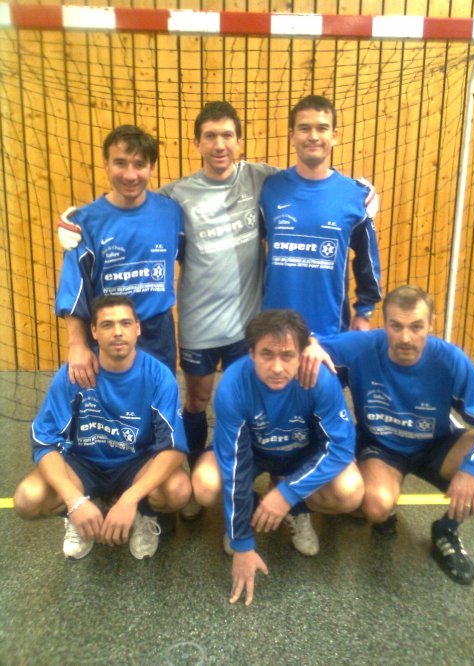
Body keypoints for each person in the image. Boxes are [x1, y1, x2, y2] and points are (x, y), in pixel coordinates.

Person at [58, 101, 377, 504]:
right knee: (195, 401)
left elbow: (309, 182)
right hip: (198, 325)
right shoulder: (175, 198)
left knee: (268, 401)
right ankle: (191, 474)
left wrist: (361, 195)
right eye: (210, 136)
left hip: (249, 325)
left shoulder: (264, 180)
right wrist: (77, 221)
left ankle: (279, 486)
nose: (220, 144)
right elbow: (134, 207)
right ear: (197, 143)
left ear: (240, 142)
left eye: (227, 135)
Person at [324, 285, 474, 585]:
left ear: (431, 324)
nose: (405, 337)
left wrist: (473, 467)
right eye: (396, 326)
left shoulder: (450, 360)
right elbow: (306, 344)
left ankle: (446, 530)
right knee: (376, 506)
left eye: (416, 327)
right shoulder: (362, 347)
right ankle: (384, 508)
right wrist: (310, 346)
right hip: (383, 448)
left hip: (438, 445)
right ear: (385, 324)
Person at [192, 309, 364, 605]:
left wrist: (287, 494)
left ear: (302, 354)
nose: (276, 367)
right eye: (266, 354)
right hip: (253, 455)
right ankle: (248, 513)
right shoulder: (233, 385)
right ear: (251, 353)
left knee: (351, 491)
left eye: (287, 356)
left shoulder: (320, 380)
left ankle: (295, 508)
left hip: (301, 457)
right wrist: (242, 542)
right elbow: (234, 465)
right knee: (204, 484)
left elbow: (340, 447)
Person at [14, 295, 191, 561]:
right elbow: (45, 442)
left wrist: (131, 499)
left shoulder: (158, 376)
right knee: (28, 498)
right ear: (94, 331)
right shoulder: (74, 374)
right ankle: (79, 514)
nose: (118, 331)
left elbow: (174, 448)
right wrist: (74, 500)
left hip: (135, 464)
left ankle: (143, 515)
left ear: (138, 328)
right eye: (108, 325)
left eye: (125, 323)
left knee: (178, 490)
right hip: (83, 465)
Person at [56, 125, 184, 384]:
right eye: (120, 163)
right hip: (108, 333)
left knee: (159, 402)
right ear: (106, 163)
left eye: (139, 164)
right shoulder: (84, 223)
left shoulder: (172, 213)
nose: (130, 175)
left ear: (152, 167)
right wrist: (77, 345)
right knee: (112, 405)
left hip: (158, 333)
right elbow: (74, 290)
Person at [260, 94, 382, 342]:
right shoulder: (269, 189)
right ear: (292, 135)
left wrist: (364, 311)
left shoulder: (355, 196)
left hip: (330, 332)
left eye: (322, 128)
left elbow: (367, 260)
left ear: (334, 136)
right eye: (304, 128)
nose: (313, 136)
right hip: (272, 330)